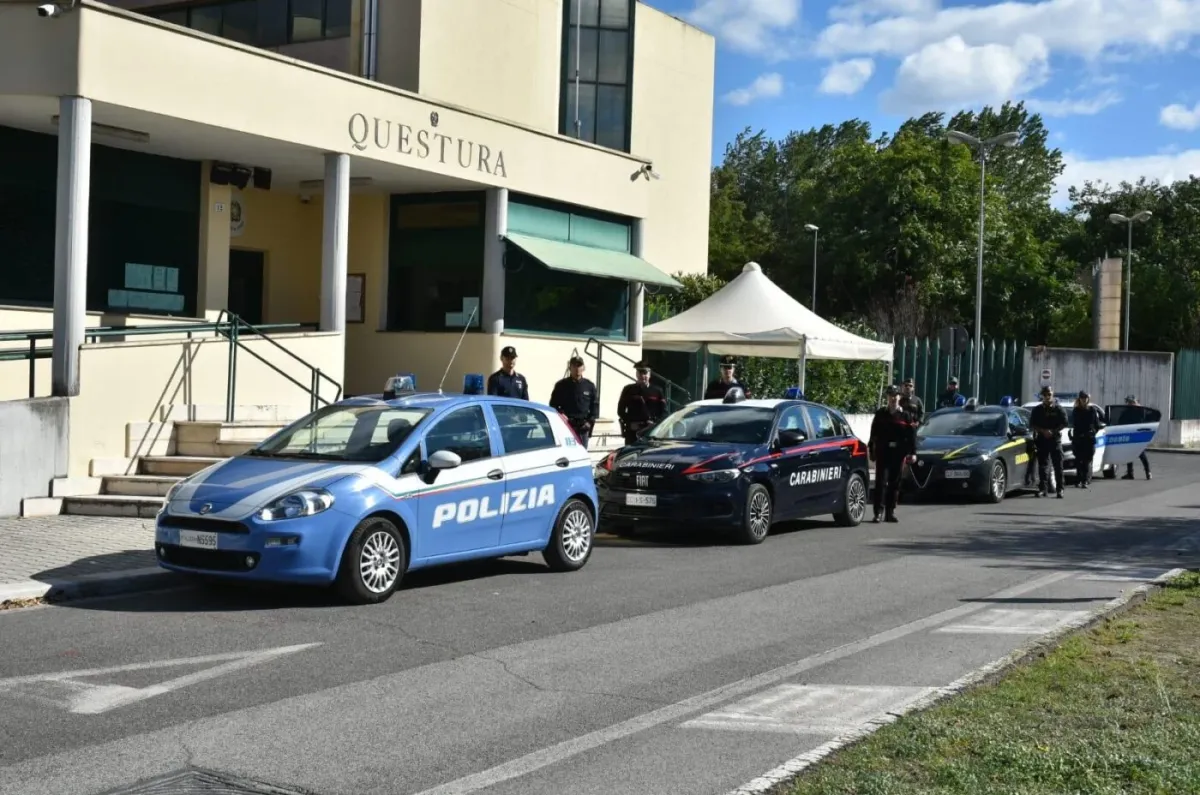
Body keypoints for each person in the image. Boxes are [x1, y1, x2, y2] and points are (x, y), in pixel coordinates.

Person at [867, 385, 917, 523]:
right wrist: (871, 450)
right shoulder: (881, 413)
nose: (893, 398)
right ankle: (878, 513)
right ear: (887, 398)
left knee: (895, 483)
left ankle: (890, 512)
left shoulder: (905, 415)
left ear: (899, 397)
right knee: (880, 482)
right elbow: (873, 433)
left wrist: (912, 452)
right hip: (883, 452)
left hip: (898, 453)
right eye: (890, 396)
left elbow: (911, 436)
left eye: (895, 396)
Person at [549, 356, 599, 448]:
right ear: (570, 367)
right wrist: (561, 415)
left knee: (582, 453)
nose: (577, 368)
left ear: (583, 368)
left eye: (579, 366)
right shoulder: (561, 385)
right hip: (567, 425)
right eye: (574, 366)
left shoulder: (589, 386)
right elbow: (553, 405)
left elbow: (595, 407)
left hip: (583, 427)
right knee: (567, 452)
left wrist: (589, 422)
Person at [1029, 385, 1068, 498]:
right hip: (1042, 439)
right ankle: (1043, 489)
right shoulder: (1037, 410)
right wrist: (1043, 431)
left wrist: (1053, 431)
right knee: (1043, 466)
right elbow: (1032, 424)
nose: (1047, 397)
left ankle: (1060, 489)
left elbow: (1064, 422)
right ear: (1042, 396)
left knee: (1058, 465)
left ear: (1052, 395)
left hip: (1055, 440)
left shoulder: (1058, 408)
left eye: (1049, 394)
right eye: (1045, 395)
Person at [617, 361, 667, 445]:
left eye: (645, 373)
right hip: (633, 431)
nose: (642, 376)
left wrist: (655, 423)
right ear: (636, 374)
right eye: (640, 373)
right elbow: (620, 410)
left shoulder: (657, 391)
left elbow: (664, 412)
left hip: (651, 431)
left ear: (649, 375)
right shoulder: (628, 389)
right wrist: (630, 422)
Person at [1069, 390, 1105, 488]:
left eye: (1085, 398)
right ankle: (1078, 480)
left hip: (1089, 440)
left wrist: (1092, 432)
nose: (1084, 400)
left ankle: (1085, 480)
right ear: (1079, 399)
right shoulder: (1076, 411)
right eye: (1082, 398)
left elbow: (1097, 425)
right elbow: (1075, 425)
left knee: (1087, 461)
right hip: (1078, 439)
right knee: (1079, 461)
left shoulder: (1092, 410)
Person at [1121, 395, 1153, 480]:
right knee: (1131, 454)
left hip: (1138, 436)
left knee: (1140, 453)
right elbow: (1121, 421)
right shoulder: (1130, 412)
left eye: (1131, 402)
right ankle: (1131, 473)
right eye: (1128, 402)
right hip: (1132, 435)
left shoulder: (1140, 411)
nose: (1129, 404)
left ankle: (1147, 472)